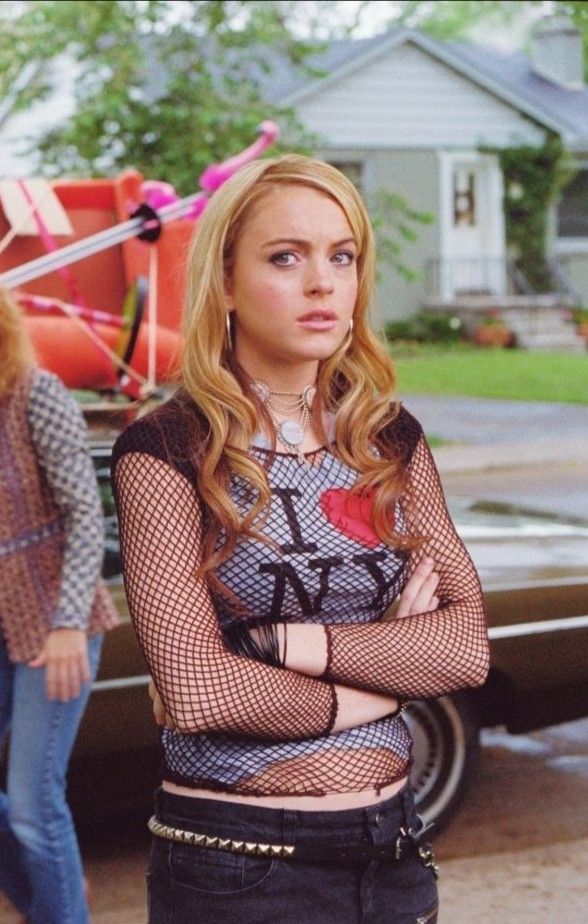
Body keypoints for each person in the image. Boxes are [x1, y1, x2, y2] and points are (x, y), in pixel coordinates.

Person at [111, 154, 489, 924]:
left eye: (341, 257)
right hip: (240, 863)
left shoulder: (387, 437)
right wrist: (393, 662)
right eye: (286, 257)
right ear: (224, 282)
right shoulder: (167, 449)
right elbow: (199, 690)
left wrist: (282, 645)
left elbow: (466, 650)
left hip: (392, 850)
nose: (322, 283)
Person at [0, 288, 119, 924]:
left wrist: (70, 622)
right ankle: (53, 900)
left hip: (56, 622)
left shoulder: (35, 393)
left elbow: (84, 514)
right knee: (26, 813)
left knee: (33, 803)